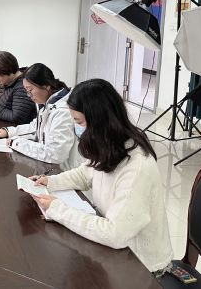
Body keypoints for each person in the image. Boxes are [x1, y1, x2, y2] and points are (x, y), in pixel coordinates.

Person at [29, 79, 172, 276]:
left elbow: (115, 235)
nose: (77, 128)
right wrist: (51, 182)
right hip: (116, 251)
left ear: (99, 120)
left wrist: (57, 209)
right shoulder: (110, 144)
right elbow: (86, 172)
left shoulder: (137, 166)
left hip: (142, 265)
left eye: (79, 122)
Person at [0, 63, 81, 170]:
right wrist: (9, 132)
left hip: (65, 171)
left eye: (30, 90)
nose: (28, 95)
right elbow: (35, 127)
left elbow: (55, 154)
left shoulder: (62, 111)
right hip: (51, 168)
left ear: (46, 86)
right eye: (26, 91)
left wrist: (16, 143)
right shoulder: (48, 103)